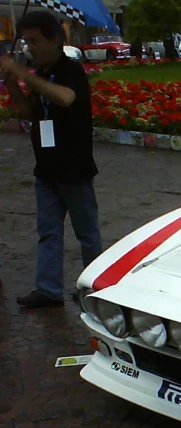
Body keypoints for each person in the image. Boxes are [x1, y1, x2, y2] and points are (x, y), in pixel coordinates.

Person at [0, 11, 102, 307]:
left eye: (35, 40)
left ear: (54, 39)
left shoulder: (70, 70)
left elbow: (66, 98)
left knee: (87, 234)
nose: (30, 47)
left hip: (74, 168)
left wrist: (23, 75)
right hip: (45, 167)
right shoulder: (41, 73)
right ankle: (48, 289)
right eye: (27, 41)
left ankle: (93, 289)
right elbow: (29, 114)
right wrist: (12, 85)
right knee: (48, 232)